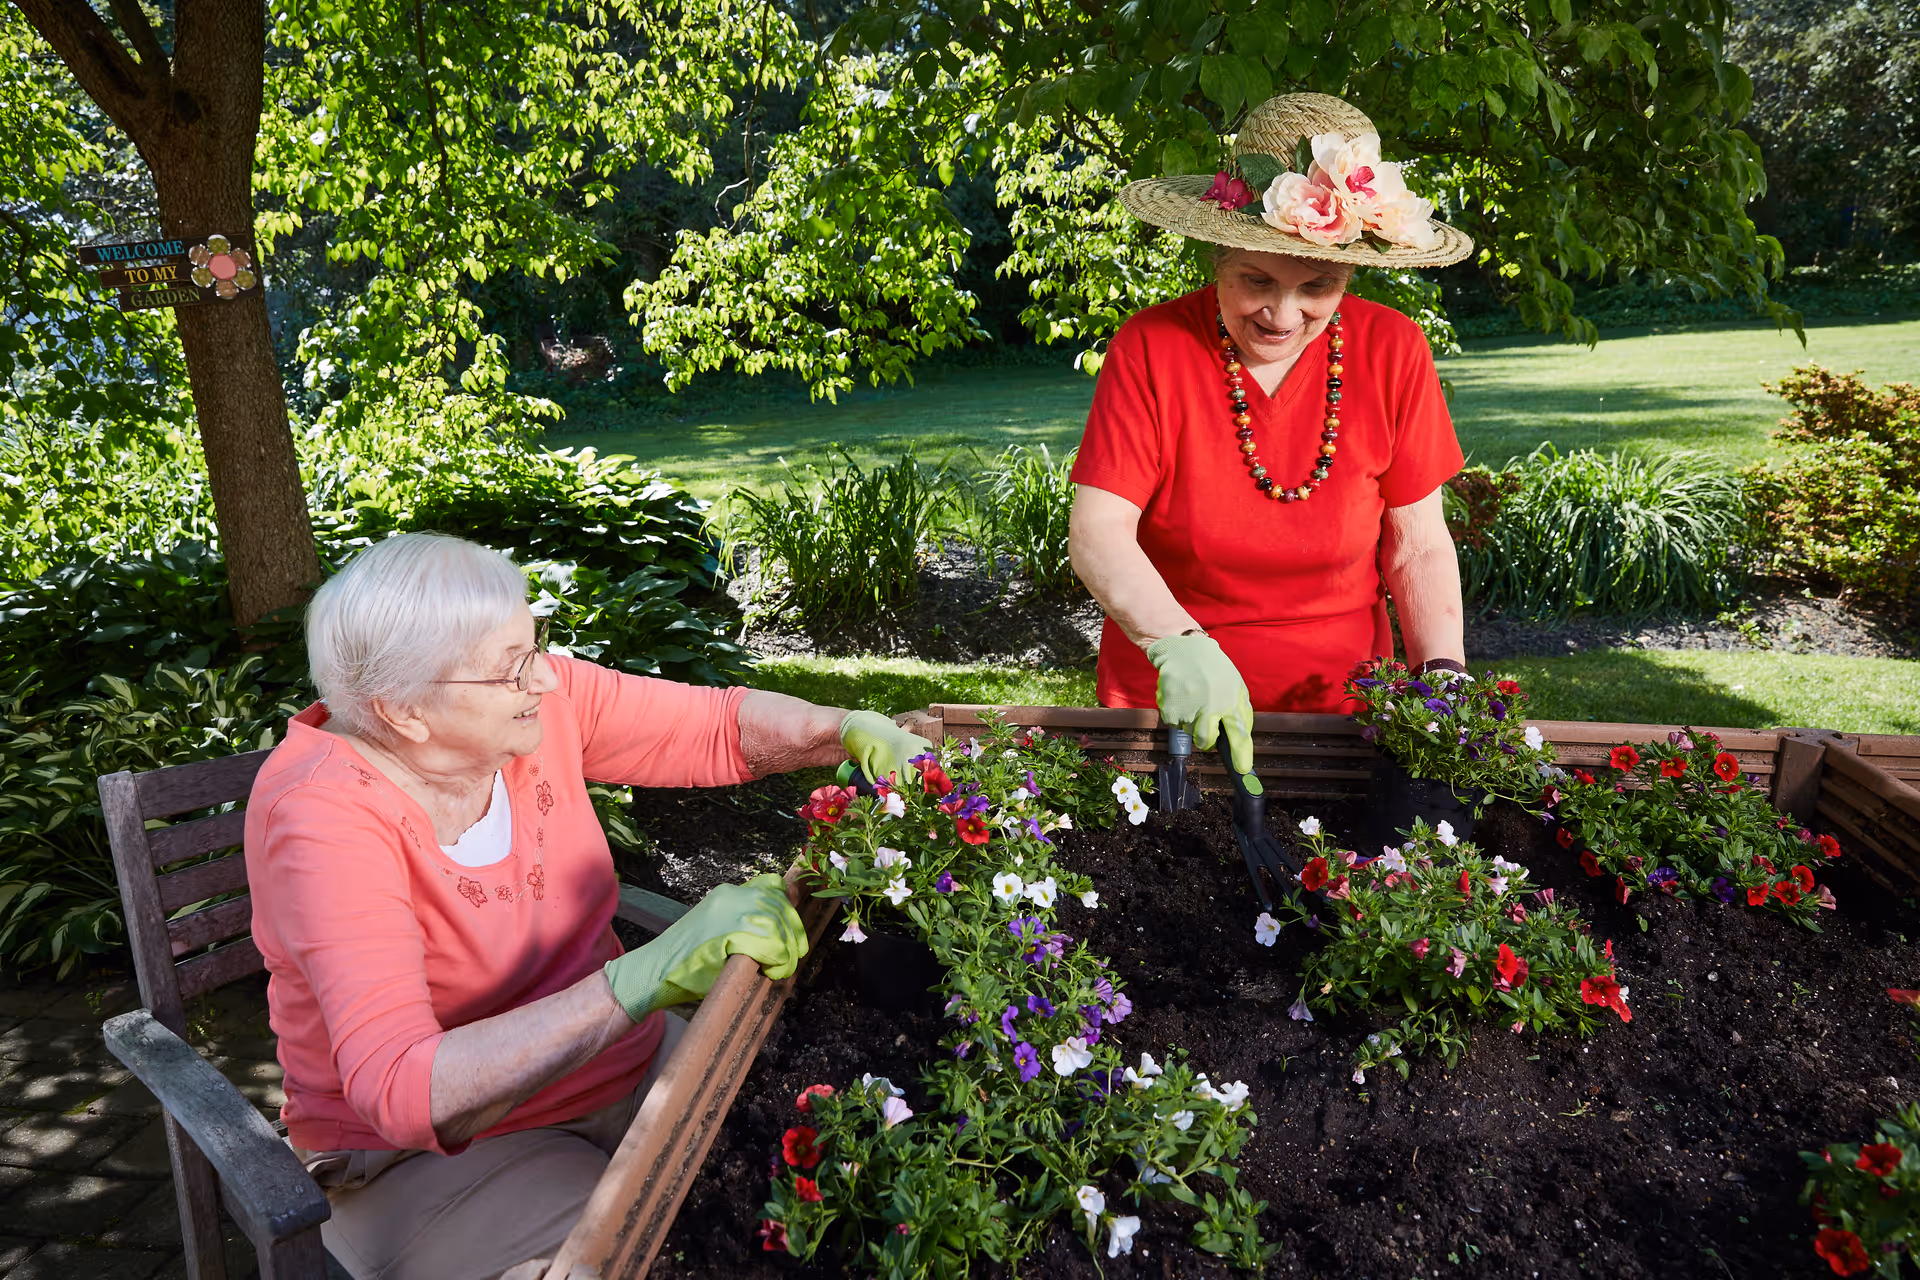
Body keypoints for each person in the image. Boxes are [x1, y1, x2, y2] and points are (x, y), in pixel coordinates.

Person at [244, 532, 930, 1280]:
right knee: (639, 1260)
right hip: (437, 1159)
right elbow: (409, 1092)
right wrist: (645, 976)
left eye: (534, 643)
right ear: (404, 711)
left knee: (839, 1159)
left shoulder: (533, 712)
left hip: (613, 1068)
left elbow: (712, 726)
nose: (545, 679)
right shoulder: (322, 819)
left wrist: (842, 731)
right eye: (512, 669)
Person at [1068, 92, 1476, 772]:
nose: (1282, 314)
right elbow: (1099, 532)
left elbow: (1419, 545)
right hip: (1173, 709)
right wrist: (1179, 645)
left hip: (1347, 709)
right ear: (1217, 255)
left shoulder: (1394, 349)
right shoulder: (1152, 346)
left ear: (1350, 274)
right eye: (1255, 280)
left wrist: (1441, 673)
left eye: (1317, 287)